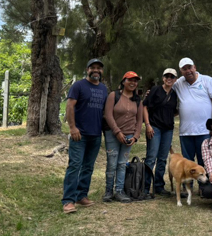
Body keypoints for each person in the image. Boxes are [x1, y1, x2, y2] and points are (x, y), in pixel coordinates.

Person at [61, 58, 109, 214]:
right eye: (92, 67)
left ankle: (81, 195)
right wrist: (72, 127)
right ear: (87, 70)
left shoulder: (103, 89)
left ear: (102, 71)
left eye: (99, 68)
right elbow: (70, 106)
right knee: (75, 165)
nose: (96, 70)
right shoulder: (79, 86)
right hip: (79, 134)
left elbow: (104, 111)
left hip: (95, 134)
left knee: (88, 167)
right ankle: (68, 200)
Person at [172, 57, 212, 169]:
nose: (188, 71)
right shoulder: (178, 83)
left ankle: (205, 181)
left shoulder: (207, 80)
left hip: (204, 130)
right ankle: (188, 181)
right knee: (188, 164)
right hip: (186, 132)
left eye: (189, 67)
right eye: (184, 69)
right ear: (181, 71)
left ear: (194, 67)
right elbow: (166, 90)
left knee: (205, 161)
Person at [103, 71, 144, 203]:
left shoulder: (138, 100)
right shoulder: (114, 95)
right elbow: (108, 115)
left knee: (122, 164)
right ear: (123, 81)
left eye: (135, 81)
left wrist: (135, 137)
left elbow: (139, 120)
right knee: (112, 163)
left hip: (129, 135)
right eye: (130, 80)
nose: (133, 83)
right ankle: (108, 191)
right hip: (112, 134)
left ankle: (119, 190)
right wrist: (117, 132)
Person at [143, 68, 179, 198]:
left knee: (163, 158)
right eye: (167, 76)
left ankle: (159, 186)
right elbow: (145, 106)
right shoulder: (155, 90)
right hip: (155, 127)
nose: (169, 79)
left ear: (175, 79)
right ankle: (145, 187)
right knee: (151, 157)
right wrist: (148, 125)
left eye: (172, 77)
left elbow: (174, 111)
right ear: (163, 78)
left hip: (168, 129)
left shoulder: (174, 94)